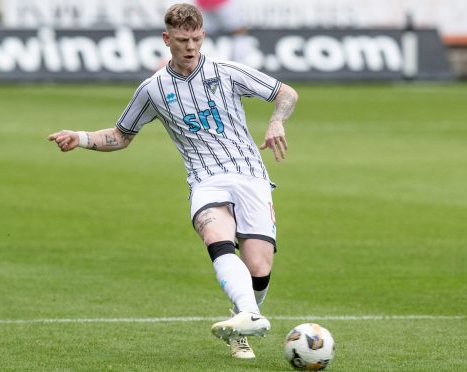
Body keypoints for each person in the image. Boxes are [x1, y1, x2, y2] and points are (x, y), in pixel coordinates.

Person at [47, 3, 298, 360]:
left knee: (259, 267)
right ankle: (250, 316)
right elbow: (122, 135)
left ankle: (243, 317)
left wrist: (277, 121)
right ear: (167, 39)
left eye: (196, 38)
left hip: (250, 175)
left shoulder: (227, 72)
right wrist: (82, 137)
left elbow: (286, 93)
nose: (191, 46)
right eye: (182, 40)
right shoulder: (153, 89)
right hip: (205, 180)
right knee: (217, 237)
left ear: (204, 36)